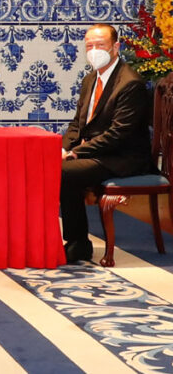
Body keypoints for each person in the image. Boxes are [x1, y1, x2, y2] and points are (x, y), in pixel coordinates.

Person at [60, 23, 151, 264]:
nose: (94, 51)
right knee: (56, 167)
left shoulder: (130, 83)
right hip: (98, 152)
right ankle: (76, 241)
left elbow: (118, 134)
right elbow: (78, 124)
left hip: (123, 156)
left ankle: (78, 243)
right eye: (89, 46)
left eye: (100, 45)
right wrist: (63, 148)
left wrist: (76, 153)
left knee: (63, 172)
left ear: (115, 47)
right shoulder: (90, 79)